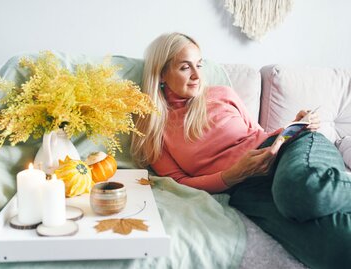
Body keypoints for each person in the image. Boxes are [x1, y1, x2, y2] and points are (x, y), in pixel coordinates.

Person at [130, 32, 351, 269]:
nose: (196, 76)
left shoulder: (222, 94)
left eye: (199, 65)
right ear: (162, 73)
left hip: (288, 150)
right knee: (334, 249)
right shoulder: (154, 128)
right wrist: (232, 175)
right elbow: (178, 182)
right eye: (185, 67)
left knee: (300, 192)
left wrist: (294, 125)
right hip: (244, 187)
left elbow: (258, 135)